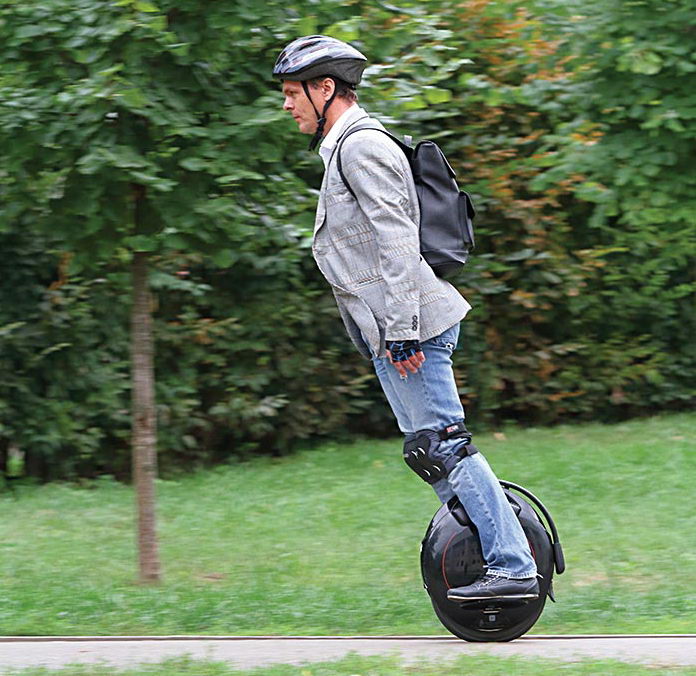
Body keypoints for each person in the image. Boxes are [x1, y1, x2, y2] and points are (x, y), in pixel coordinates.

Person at [274, 35, 538, 602]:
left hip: (411, 327)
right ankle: (489, 550)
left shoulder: (360, 147)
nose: (287, 105)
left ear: (326, 89)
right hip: (394, 330)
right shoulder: (345, 148)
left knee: (446, 444)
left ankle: (513, 567)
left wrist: (401, 332)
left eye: (294, 93)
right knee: (430, 449)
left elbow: (396, 243)